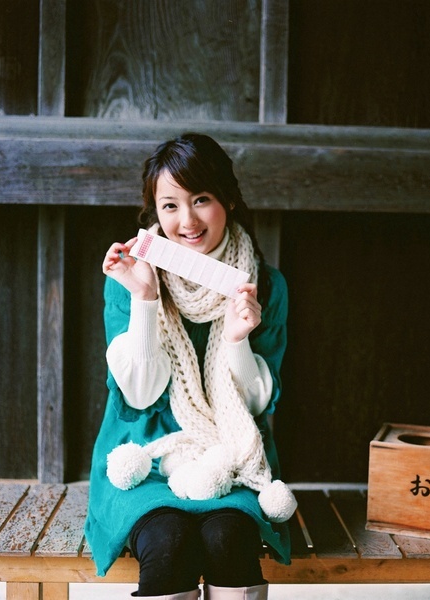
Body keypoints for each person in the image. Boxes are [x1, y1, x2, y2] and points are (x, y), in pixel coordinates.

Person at [85, 133, 296, 600]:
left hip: (231, 457)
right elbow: (139, 395)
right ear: (155, 213)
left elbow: (256, 406)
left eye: (201, 199)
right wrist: (145, 299)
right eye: (170, 205)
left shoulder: (265, 286)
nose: (188, 221)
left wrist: (238, 340)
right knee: (168, 542)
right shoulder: (128, 279)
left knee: (228, 538)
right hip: (143, 457)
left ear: (229, 199)